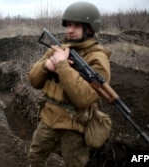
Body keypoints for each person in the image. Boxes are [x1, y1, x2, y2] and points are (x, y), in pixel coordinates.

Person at [28, 2, 112, 167]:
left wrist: (62, 65)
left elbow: (84, 98)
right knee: (35, 158)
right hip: (48, 118)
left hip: (74, 125)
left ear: (89, 29)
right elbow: (33, 80)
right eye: (68, 25)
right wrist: (46, 66)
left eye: (77, 26)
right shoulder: (59, 50)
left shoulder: (97, 58)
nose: (69, 30)